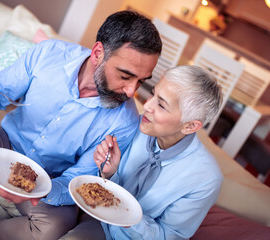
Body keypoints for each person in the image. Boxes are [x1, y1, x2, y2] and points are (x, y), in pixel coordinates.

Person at [0, 11, 162, 240]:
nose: (132, 91)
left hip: (51, 177)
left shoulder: (127, 121)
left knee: (53, 228)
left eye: (141, 81)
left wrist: (36, 188)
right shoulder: (49, 53)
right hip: (6, 144)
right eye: (125, 75)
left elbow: (80, 177)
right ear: (98, 53)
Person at [61, 65, 224, 240]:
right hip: (95, 222)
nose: (146, 105)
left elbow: (168, 235)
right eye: (153, 93)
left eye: (161, 105)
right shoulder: (131, 125)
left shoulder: (205, 179)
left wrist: (128, 215)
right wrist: (109, 173)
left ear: (190, 126)